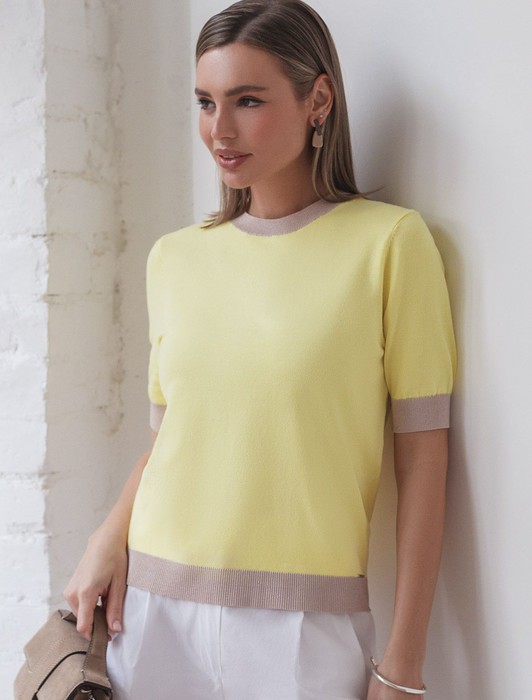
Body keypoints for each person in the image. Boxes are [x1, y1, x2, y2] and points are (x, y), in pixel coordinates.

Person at [64, 1, 457, 698]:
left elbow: (424, 458)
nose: (219, 129)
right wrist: (106, 537)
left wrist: (403, 663)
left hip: (306, 625)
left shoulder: (390, 245)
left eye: (247, 100)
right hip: (151, 612)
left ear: (318, 100)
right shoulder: (174, 258)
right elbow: (170, 439)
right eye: (205, 102)